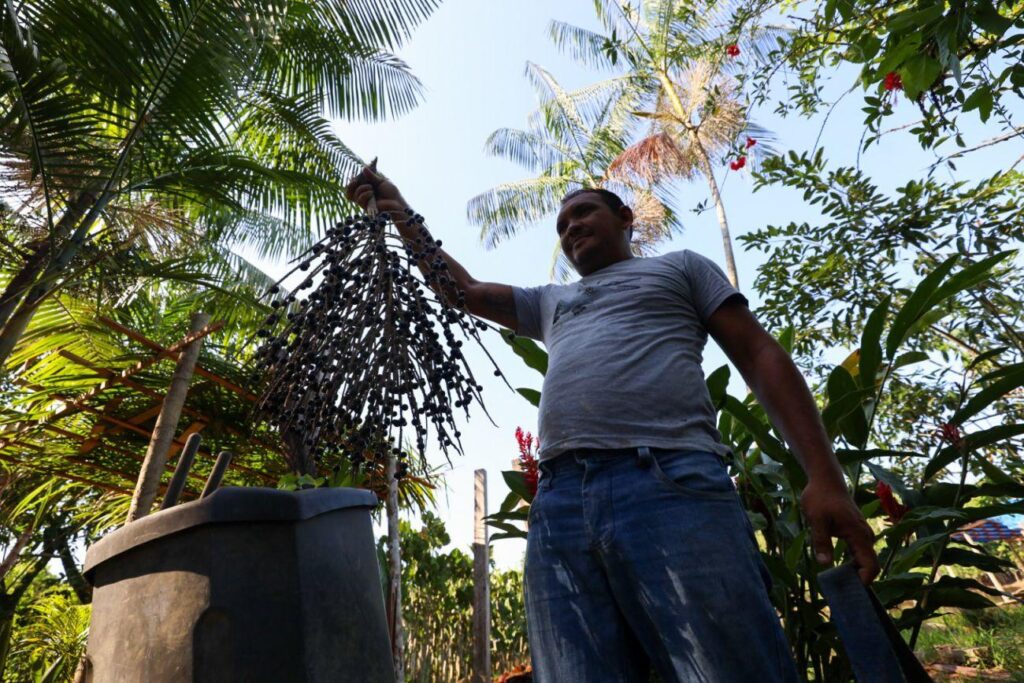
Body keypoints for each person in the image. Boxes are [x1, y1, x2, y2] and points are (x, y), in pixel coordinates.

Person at [346, 166, 880, 682]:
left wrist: (824, 475)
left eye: (582, 212)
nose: (570, 226)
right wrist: (399, 213)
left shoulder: (681, 267)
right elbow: (462, 290)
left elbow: (758, 352)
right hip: (560, 508)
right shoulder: (552, 301)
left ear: (626, 217)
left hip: (670, 483)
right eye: (561, 225)